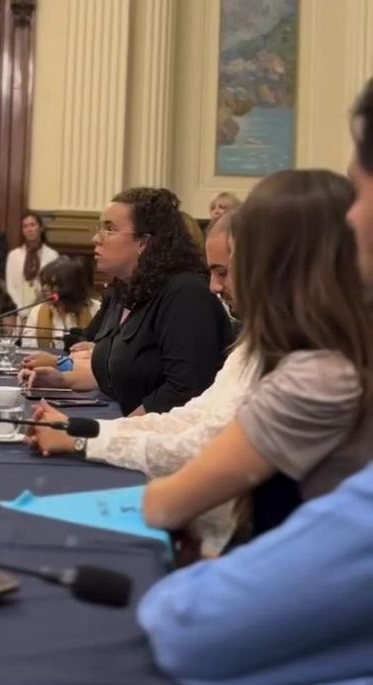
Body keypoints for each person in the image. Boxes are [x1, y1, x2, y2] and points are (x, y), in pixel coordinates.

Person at [137, 80, 373, 685]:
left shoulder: (324, 373)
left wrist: (206, 579)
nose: (353, 215)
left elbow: (191, 625)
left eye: (362, 188)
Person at [143, 169, 373, 554]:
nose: (218, 285)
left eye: (233, 263)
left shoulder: (320, 374)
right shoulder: (315, 353)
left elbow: (168, 502)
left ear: (273, 266)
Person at [28, 216, 256, 525]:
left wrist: (83, 439)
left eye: (222, 272)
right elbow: (190, 417)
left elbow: (198, 442)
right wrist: (81, 428)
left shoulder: (187, 295)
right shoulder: (254, 345)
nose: (214, 286)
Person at [22, 188, 230, 415]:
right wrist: (62, 380)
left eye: (109, 229)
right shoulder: (126, 289)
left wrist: (112, 434)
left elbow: (183, 392)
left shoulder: (187, 295)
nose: (96, 237)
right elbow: (118, 373)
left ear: (144, 242)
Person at [20, 256, 99, 350]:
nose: (45, 288)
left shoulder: (96, 309)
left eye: (53, 284)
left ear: (71, 287)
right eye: (44, 283)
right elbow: (28, 350)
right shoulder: (37, 311)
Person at [5, 211, 58, 316]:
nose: (29, 229)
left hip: (43, 311)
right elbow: (10, 286)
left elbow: (53, 287)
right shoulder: (14, 255)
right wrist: (21, 311)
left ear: (41, 228)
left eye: (32, 225)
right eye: (25, 226)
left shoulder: (52, 256)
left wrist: (35, 310)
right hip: (18, 312)